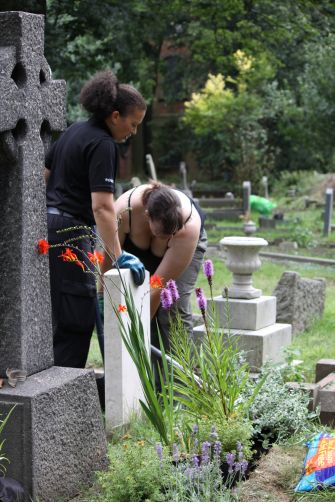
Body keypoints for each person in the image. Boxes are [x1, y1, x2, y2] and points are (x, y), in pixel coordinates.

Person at [45, 70, 146, 368]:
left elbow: (44, 177)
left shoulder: (73, 130)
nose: (134, 132)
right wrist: (117, 256)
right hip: (71, 233)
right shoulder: (104, 144)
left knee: (54, 313)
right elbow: (102, 207)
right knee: (75, 319)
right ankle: (62, 397)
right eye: (133, 123)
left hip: (48, 228)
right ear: (115, 116)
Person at [113, 182, 207, 352]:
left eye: (169, 235)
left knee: (171, 307)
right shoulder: (124, 211)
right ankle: (143, 375)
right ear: (147, 216)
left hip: (183, 246)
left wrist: (138, 331)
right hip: (135, 243)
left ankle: (181, 375)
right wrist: (102, 297)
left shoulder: (188, 227)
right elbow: (109, 257)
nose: (165, 240)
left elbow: (157, 286)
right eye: (160, 235)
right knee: (125, 299)